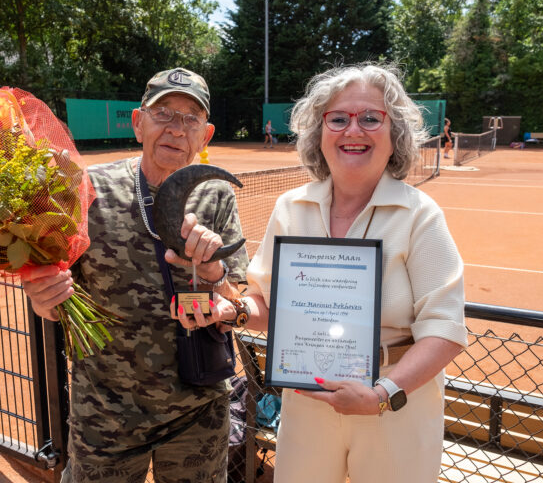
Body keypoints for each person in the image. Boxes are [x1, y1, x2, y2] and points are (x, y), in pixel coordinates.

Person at [194, 63, 468, 482]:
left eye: (371, 118)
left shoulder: (419, 214)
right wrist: (232, 311)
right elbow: (266, 303)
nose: (353, 130)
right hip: (307, 398)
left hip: (394, 402)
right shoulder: (291, 208)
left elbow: (446, 330)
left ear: (393, 135)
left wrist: (381, 395)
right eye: (338, 119)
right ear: (319, 134)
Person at [22, 67, 250, 483]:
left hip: (197, 410)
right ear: (137, 122)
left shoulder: (216, 194)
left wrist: (215, 274)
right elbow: (56, 299)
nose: (176, 130)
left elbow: (237, 301)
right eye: (163, 113)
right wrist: (43, 301)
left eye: (190, 119)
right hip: (105, 412)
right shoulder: (88, 189)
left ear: (206, 135)